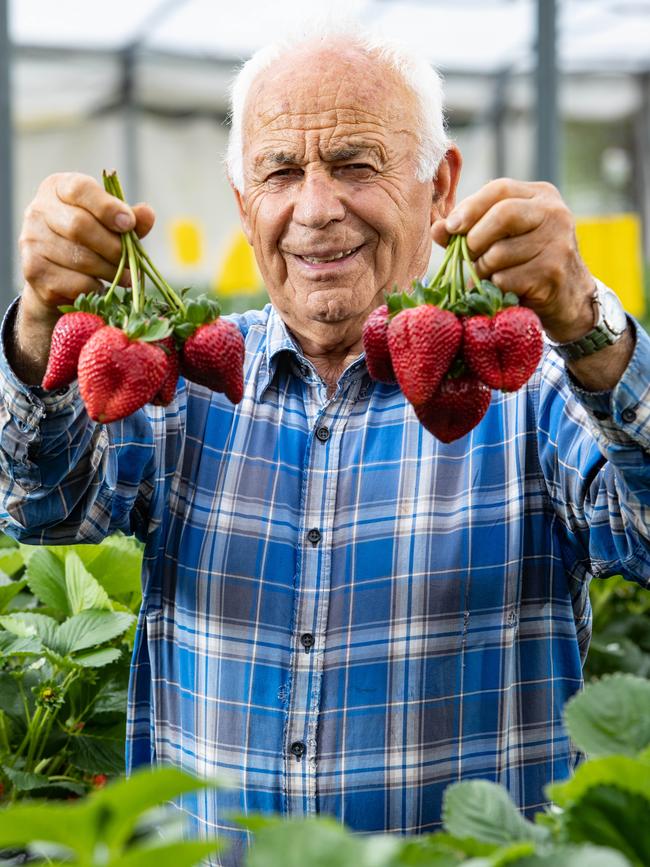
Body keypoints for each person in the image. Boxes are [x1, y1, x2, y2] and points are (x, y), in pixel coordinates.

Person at [1, 24, 649, 866]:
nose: (315, 209)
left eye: (354, 164)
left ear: (440, 184)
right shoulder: (189, 377)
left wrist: (589, 323)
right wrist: (38, 330)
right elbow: (43, 506)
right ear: (243, 201)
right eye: (280, 171)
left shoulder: (531, 387)